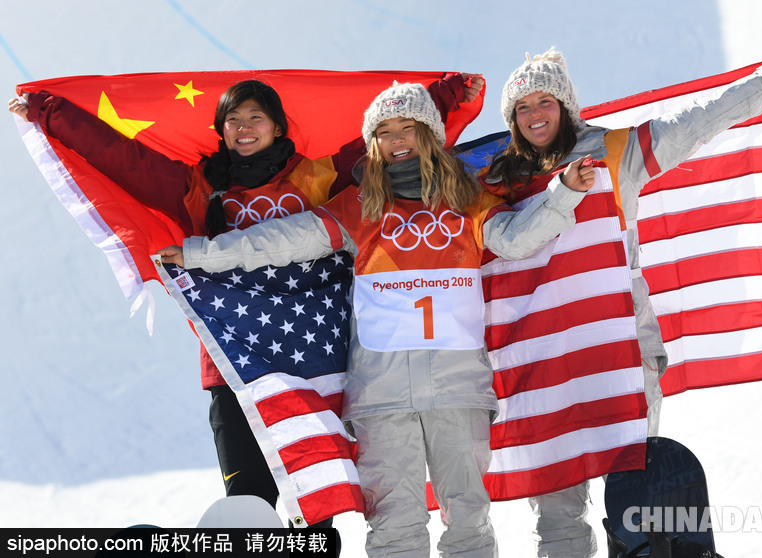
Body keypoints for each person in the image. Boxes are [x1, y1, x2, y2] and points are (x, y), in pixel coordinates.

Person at [7, 74, 479, 537]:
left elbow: (394, 139)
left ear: (278, 127)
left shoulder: (320, 176)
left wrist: (448, 96)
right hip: (236, 366)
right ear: (222, 129)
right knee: (247, 506)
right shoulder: (198, 186)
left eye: (257, 116)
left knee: (312, 505)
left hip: (313, 361)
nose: (245, 126)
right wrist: (54, 115)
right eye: (233, 119)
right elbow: (124, 159)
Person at [158, 81, 593, 557]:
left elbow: (514, 240)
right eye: (385, 131)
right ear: (374, 143)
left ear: (429, 133)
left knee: (468, 519)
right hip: (380, 398)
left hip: (458, 389)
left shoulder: (468, 200)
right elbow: (280, 240)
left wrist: (562, 196)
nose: (397, 139)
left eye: (409, 127)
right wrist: (202, 253)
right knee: (393, 527)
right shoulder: (359, 205)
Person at [481, 48, 762, 557]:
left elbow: (694, 123)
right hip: (543, 359)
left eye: (545, 100)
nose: (535, 114)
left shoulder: (615, 151)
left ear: (566, 106)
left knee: (633, 498)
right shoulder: (497, 180)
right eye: (521, 107)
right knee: (558, 515)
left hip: (622, 349)